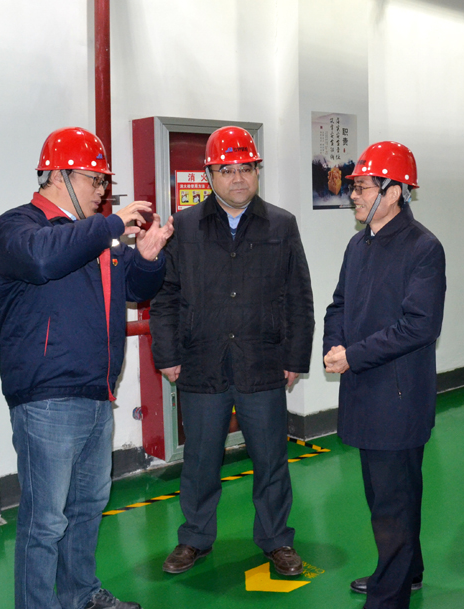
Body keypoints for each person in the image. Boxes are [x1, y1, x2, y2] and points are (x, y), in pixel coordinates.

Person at [0, 127, 173, 609]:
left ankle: (80, 594)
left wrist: (148, 258)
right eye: (95, 180)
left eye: (104, 181)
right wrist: (110, 226)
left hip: (97, 394)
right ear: (57, 175)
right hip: (46, 398)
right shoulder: (18, 226)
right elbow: (42, 260)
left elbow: (136, 289)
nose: (102, 190)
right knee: (45, 520)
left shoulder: (98, 236)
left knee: (88, 506)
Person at [149, 126, 314, 577]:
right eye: (227, 170)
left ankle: (277, 539)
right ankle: (195, 537)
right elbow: (165, 296)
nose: (238, 178)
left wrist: (295, 358)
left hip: (264, 362)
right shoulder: (184, 226)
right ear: (209, 175)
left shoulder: (281, 224)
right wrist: (167, 355)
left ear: (257, 171)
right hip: (201, 363)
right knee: (200, 461)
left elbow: (298, 295)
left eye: (246, 168)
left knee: (271, 459)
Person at [323, 141, 446, 609]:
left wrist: (353, 356)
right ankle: (406, 571)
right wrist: (334, 345)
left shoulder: (423, 248)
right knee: (385, 496)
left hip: (398, 398)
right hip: (364, 391)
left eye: (362, 187)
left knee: (393, 502)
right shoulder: (359, 245)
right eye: (354, 187)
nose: (353, 195)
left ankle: (389, 597)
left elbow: (419, 326)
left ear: (393, 192)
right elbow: (339, 304)